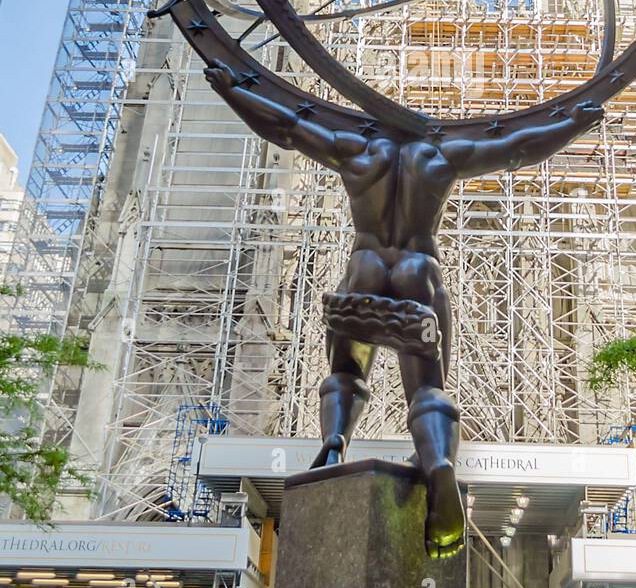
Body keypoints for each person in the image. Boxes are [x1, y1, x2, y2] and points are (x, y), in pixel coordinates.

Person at [205, 58, 599, 557]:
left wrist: (231, 90)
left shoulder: (354, 149)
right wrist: (576, 120)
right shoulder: (438, 156)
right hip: (418, 273)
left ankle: (333, 443)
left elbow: (286, 127)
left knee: (346, 374)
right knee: (429, 390)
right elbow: (518, 147)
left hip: (363, 270)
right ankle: (438, 465)